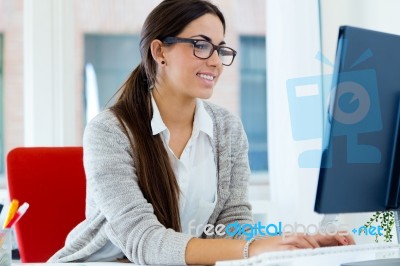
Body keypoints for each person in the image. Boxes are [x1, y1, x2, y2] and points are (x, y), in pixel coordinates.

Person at [49, 0, 354, 264]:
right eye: (201, 45)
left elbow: (233, 226)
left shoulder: (228, 129)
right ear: (160, 51)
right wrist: (253, 249)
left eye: (220, 48)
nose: (215, 61)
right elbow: (143, 240)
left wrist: (293, 246)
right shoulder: (109, 131)